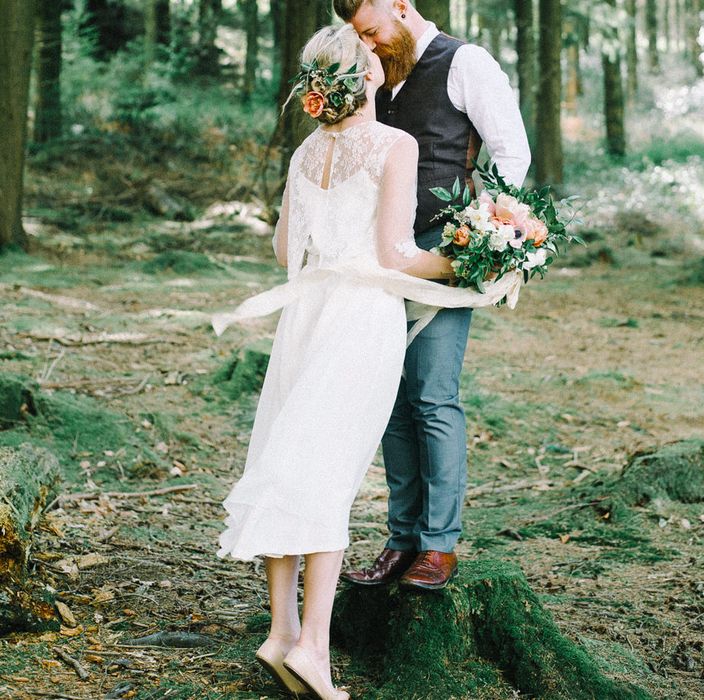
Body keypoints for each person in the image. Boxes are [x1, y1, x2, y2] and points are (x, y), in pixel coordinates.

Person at [212, 23, 521, 700]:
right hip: (361, 318)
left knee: (290, 459)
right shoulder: (394, 144)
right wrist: (478, 257)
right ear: (371, 78)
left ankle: (282, 631)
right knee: (328, 472)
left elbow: (283, 248)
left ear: (317, 89)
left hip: (306, 315)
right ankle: (315, 650)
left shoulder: (303, 154)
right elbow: (396, 257)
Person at [334, 0, 531, 591]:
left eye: (370, 30)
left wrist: (487, 230)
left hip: (442, 254)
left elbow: (512, 153)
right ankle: (401, 539)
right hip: (374, 256)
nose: (366, 43)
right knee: (390, 398)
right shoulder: (373, 69)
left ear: (400, 5)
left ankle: (439, 545)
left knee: (432, 394)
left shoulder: (466, 63)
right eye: (356, 36)